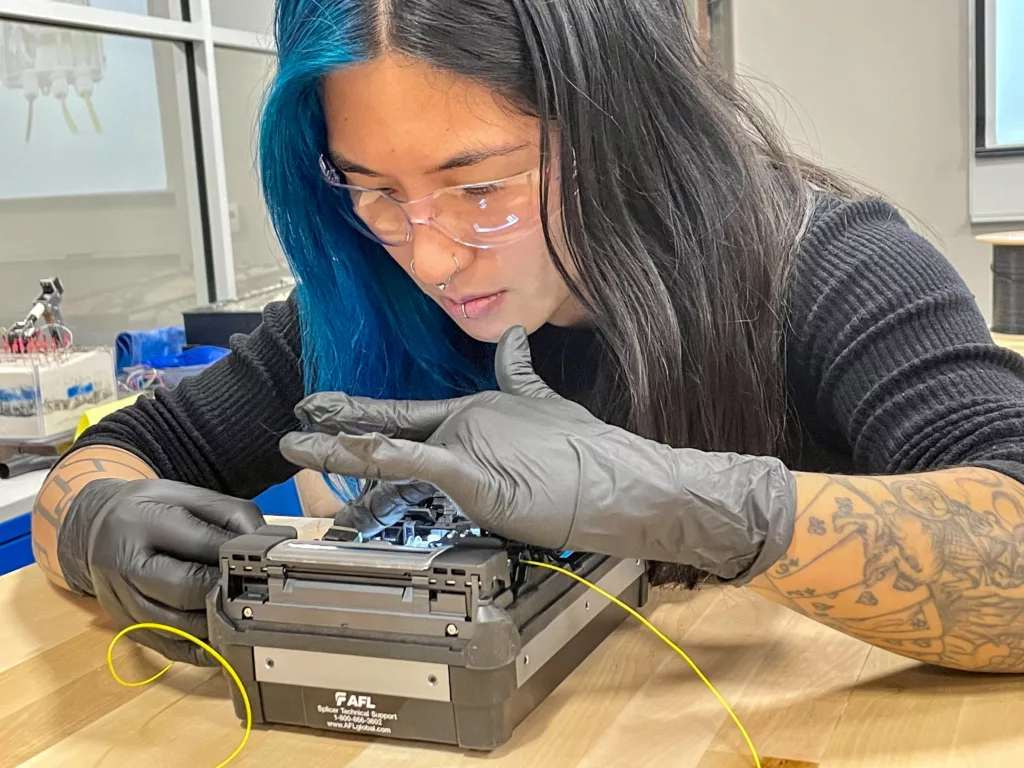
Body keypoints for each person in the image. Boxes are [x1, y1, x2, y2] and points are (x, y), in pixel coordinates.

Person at [31, 0, 1024, 674]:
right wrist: (93, 526)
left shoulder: (823, 265)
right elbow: (117, 455)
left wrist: (687, 504)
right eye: (372, 189)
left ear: (621, 131)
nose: (428, 255)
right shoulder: (376, 294)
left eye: (480, 187)